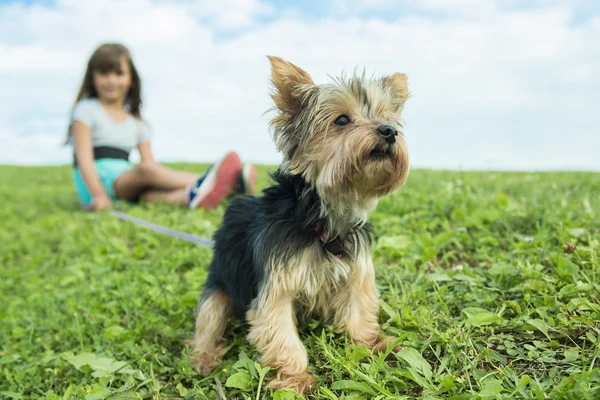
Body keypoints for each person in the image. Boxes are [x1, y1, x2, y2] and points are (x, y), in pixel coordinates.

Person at [66, 42, 256, 211]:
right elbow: (84, 159)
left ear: (131, 78)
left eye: (118, 73)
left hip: (127, 179)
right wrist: (98, 195)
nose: (111, 80)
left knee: (151, 195)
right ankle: (213, 180)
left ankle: (199, 195)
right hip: (97, 182)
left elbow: (151, 166)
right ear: (92, 77)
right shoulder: (86, 110)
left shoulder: (137, 123)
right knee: (145, 170)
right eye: (104, 73)